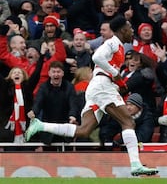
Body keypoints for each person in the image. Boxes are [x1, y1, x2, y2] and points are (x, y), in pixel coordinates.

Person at [25, 16, 158, 176]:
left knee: (84, 130)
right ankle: (136, 164)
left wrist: (117, 81)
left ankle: (40, 125)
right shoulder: (113, 42)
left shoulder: (119, 46)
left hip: (98, 86)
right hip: (102, 85)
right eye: (130, 28)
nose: (132, 32)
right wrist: (115, 74)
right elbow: (96, 57)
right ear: (123, 29)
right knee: (128, 121)